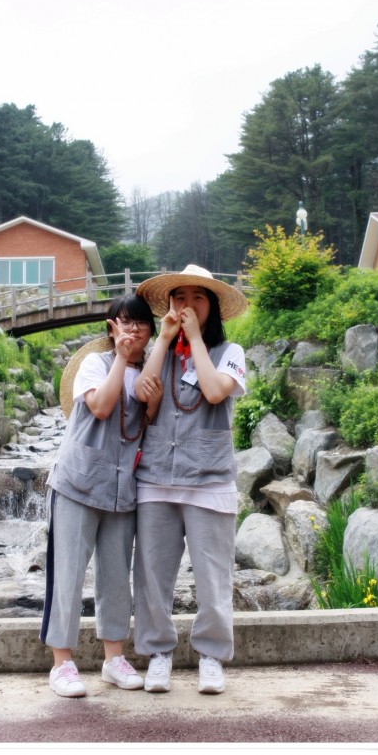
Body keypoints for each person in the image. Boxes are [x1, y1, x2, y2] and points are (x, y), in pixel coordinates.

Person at [133, 264, 248, 695]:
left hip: (210, 479)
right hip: (156, 478)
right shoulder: (159, 350)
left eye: (197, 297)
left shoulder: (231, 351)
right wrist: (165, 339)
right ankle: (158, 654)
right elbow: (143, 389)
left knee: (213, 577)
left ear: (212, 307)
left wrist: (195, 339)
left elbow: (215, 391)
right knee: (151, 575)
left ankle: (211, 657)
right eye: (179, 297)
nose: (187, 305)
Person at [40, 294, 162, 697]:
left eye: (139, 322)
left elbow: (151, 422)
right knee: (68, 574)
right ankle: (62, 664)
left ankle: (113, 660)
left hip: (122, 490)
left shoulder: (151, 371)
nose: (132, 329)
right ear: (111, 327)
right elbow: (103, 407)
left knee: (115, 577)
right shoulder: (95, 364)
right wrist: (122, 359)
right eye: (123, 321)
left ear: (150, 329)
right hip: (77, 484)